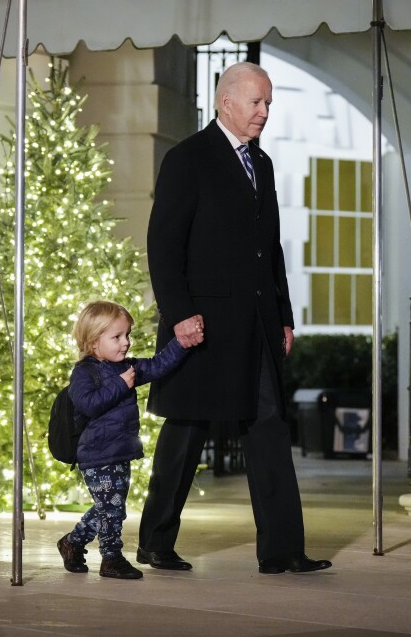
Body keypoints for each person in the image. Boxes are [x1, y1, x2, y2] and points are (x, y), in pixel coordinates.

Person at [137, 61, 331, 575]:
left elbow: (271, 250)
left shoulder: (261, 164)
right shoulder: (187, 159)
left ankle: (283, 549)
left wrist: (284, 314)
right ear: (226, 101)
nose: (264, 112)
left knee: (268, 428)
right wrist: (178, 315)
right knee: (185, 432)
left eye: (268, 103)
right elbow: (163, 246)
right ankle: (155, 541)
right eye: (256, 102)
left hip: (257, 324)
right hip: (201, 325)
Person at [57, 300, 193, 579]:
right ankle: (111, 558)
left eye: (127, 335)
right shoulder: (84, 373)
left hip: (122, 450)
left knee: (109, 507)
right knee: (112, 509)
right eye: (117, 337)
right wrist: (121, 385)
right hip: (96, 455)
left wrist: (181, 343)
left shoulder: (128, 366)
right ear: (94, 343)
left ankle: (72, 542)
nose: (126, 342)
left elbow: (157, 366)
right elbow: (89, 405)